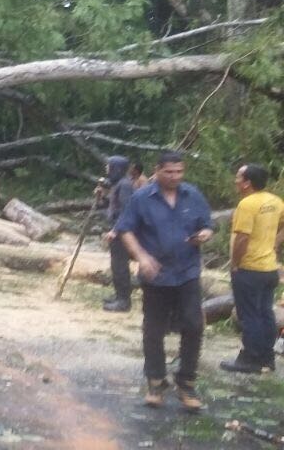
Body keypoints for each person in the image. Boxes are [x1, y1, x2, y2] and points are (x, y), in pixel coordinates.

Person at [115, 150, 214, 412]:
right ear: (157, 170)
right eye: (169, 172)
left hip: (187, 271)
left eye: (179, 172)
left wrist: (204, 234)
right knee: (154, 328)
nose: (174, 177)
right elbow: (125, 230)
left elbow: (207, 225)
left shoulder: (192, 194)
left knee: (193, 324)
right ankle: (156, 382)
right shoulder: (141, 198)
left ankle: (187, 382)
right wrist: (141, 257)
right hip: (155, 274)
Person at [220, 163, 282, 374]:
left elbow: (242, 238)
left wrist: (236, 264)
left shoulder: (247, 205)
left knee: (249, 315)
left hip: (250, 268)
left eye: (238, 177)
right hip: (269, 268)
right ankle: (267, 358)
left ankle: (250, 359)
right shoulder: (275, 201)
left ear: (247, 183)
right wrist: (275, 242)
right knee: (265, 313)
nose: (235, 180)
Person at [102, 156, 136, 312]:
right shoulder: (118, 185)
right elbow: (112, 205)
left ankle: (124, 300)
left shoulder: (125, 186)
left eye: (109, 167)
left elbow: (125, 210)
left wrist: (116, 230)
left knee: (120, 265)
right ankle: (119, 296)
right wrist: (102, 196)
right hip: (117, 229)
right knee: (116, 265)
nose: (107, 171)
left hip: (122, 231)